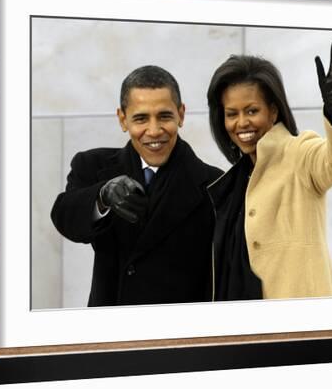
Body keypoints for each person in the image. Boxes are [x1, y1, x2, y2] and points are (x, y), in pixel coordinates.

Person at [51, 65, 222, 307]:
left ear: (181, 115)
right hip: (112, 333)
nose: (153, 131)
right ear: (123, 119)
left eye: (164, 116)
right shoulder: (92, 166)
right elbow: (65, 218)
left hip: (180, 334)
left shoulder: (216, 184)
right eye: (141, 118)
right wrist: (103, 196)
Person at [206, 40, 332, 300]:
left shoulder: (299, 153)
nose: (241, 122)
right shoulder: (235, 181)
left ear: (273, 110)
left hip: (303, 324)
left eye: (252, 110)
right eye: (232, 113)